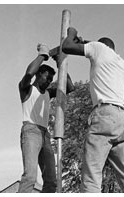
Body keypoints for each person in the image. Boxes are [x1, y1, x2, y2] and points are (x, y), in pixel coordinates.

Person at [62, 27, 124, 193]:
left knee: (91, 176)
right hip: (123, 120)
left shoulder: (99, 49)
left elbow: (67, 46)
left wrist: (72, 32)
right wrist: (84, 42)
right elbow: (90, 46)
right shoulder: (121, 61)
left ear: (100, 45)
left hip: (105, 117)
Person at [18, 43, 74, 193]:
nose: (49, 81)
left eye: (51, 79)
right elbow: (28, 74)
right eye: (47, 77)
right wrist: (43, 56)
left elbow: (69, 87)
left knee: (51, 181)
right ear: (39, 74)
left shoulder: (48, 92)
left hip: (45, 136)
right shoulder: (27, 89)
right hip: (31, 131)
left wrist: (59, 62)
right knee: (30, 177)